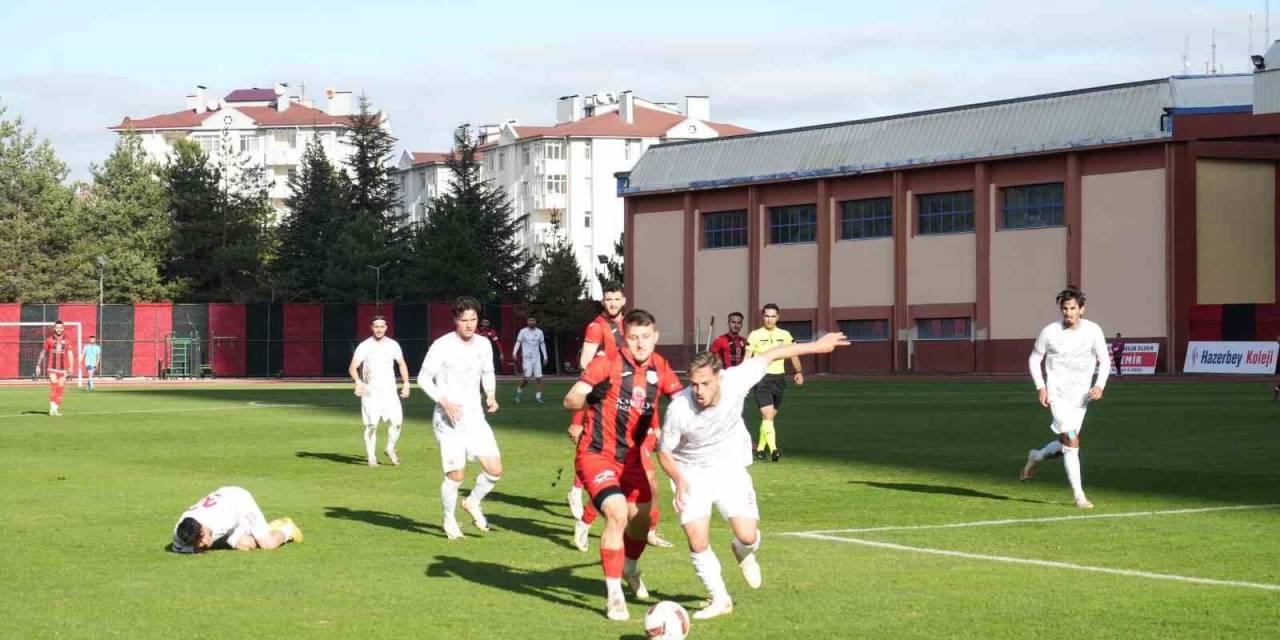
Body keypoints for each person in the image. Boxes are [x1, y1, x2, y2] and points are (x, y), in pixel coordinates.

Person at [659, 331, 850, 619]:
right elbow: (664, 452)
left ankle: (743, 551)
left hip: (729, 468)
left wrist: (818, 347)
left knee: (747, 535)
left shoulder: (736, 379)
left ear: (720, 377)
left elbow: (772, 354)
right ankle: (720, 598)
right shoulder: (679, 409)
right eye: (694, 384)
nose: (698, 390)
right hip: (691, 473)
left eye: (705, 384)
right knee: (698, 540)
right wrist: (679, 479)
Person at [563, 309, 684, 621]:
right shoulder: (608, 362)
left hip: (632, 458)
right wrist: (589, 398)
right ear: (624, 339)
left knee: (642, 521)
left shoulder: (661, 366)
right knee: (617, 513)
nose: (640, 344)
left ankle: (630, 565)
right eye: (633, 338)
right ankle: (614, 596)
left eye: (646, 337)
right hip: (596, 453)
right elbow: (570, 400)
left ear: (656, 337)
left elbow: (682, 401)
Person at [567, 286, 672, 552]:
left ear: (623, 300)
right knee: (620, 484)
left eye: (617, 298)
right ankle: (587, 519)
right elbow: (586, 375)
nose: (612, 303)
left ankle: (647, 532)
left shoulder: (641, 338)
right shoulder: (597, 327)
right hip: (610, 410)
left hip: (640, 414)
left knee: (648, 484)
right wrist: (579, 418)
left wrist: (658, 427)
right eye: (608, 299)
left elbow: (657, 393)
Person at [419, 297, 503, 540]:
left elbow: (488, 372)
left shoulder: (484, 345)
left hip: (475, 417)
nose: (469, 325)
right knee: (456, 475)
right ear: (455, 320)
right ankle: (449, 518)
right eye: (464, 320)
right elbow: (423, 379)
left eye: (473, 319)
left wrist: (490, 395)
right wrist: (443, 400)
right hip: (448, 420)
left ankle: (473, 501)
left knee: (495, 470)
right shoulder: (442, 346)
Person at [1019, 287, 1111, 509]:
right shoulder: (1050, 332)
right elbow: (1034, 359)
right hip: (1057, 395)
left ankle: (1036, 457)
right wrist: (1041, 387)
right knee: (1071, 439)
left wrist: (1099, 385)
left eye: (1072, 308)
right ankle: (1079, 495)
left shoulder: (1093, 331)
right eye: (1064, 309)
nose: (1068, 313)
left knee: (1066, 443)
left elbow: (1105, 360)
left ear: (1082, 309)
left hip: (1081, 397)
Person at [348, 316, 412, 467]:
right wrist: (359, 383)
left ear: (386, 327)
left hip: (390, 392)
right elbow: (352, 367)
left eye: (382, 327)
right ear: (371, 327)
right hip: (371, 393)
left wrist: (406, 384)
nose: (379, 330)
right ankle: (371, 457)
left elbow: (401, 364)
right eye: (376, 327)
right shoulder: (364, 346)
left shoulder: (393, 345)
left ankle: (390, 448)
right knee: (372, 425)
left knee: (397, 423)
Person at [745, 304, 804, 461]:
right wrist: (745, 378)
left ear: (778, 317)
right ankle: (774, 449)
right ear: (762, 317)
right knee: (767, 413)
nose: (769, 319)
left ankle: (760, 449)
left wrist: (798, 372)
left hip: (779, 379)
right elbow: (747, 358)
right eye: (767, 316)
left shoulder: (785, 335)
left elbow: (794, 353)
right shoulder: (755, 335)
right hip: (762, 378)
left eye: (773, 316)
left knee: (769, 417)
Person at [171, 486, 302, 553]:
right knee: (247, 544)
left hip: (239, 502)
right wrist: (196, 548)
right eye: (195, 542)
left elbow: (240, 522)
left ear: (203, 527)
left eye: (201, 539)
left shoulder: (223, 520)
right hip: (224, 507)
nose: (201, 544)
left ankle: (287, 527)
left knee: (267, 544)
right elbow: (178, 548)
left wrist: (257, 532)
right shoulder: (180, 533)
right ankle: (264, 531)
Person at [34, 320, 76, 416]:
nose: (59, 329)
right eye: (57, 327)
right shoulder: (49, 339)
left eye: (60, 327)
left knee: (61, 388)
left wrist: (71, 367)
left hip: (63, 368)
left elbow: (70, 354)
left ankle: (55, 409)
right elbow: (43, 352)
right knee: (54, 384)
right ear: (54, 328)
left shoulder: (67, 340)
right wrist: (38, 365)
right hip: (52, 367)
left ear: (63, 328)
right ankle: (51, 408)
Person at [512, 316, 548, 404]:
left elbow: (542, 345)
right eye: (530, 320)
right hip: (527, 358)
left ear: (535, 322)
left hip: (537, 358)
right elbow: (518, 342)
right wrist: (514, 353)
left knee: (539, 378)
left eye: (533, 320)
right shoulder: (523, 331)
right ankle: (518, 392)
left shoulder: (540, 332)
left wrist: (545, 356)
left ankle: (538, 397)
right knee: (526, 378)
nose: (531, 322)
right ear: (527, 322)